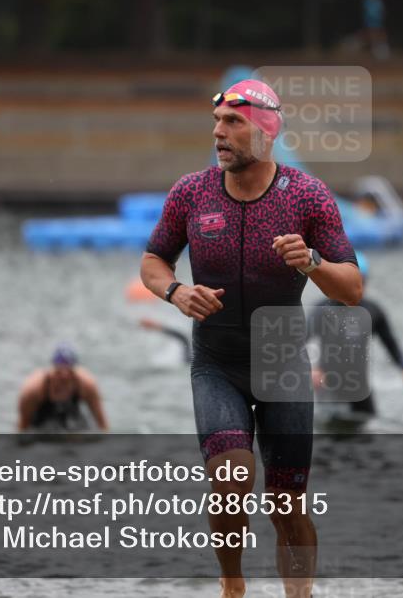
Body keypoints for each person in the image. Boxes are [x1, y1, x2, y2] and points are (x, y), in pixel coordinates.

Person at [140, 79, 361, 598]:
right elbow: (153, 261)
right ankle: (233, 585)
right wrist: (174, 292)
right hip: (217, 362)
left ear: (266, 132)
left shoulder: (307, 196)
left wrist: (310, 260)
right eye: (216, 122)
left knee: (288, 504)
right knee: (232, 475)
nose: (219, 132)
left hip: (281, 359)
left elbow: (351, 288)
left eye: (233, 123)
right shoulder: (191, 193)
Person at [309, 252, 403, 421]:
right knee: (331, 433)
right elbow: (298, 344)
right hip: (328, 386)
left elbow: (390, 343)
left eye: (361, 282)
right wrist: (312, 370)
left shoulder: (373, 311)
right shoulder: (321, 310)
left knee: (368, 430)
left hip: (359, 386)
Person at [17, 345, 108, 432]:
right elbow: (22, 427)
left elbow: (102, 424)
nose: (64, 377)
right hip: (41, 415)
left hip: (72, 414)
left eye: (68, 373)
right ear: (53, 369)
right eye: (59, 373)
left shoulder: (86, 385)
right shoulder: (33, 390)